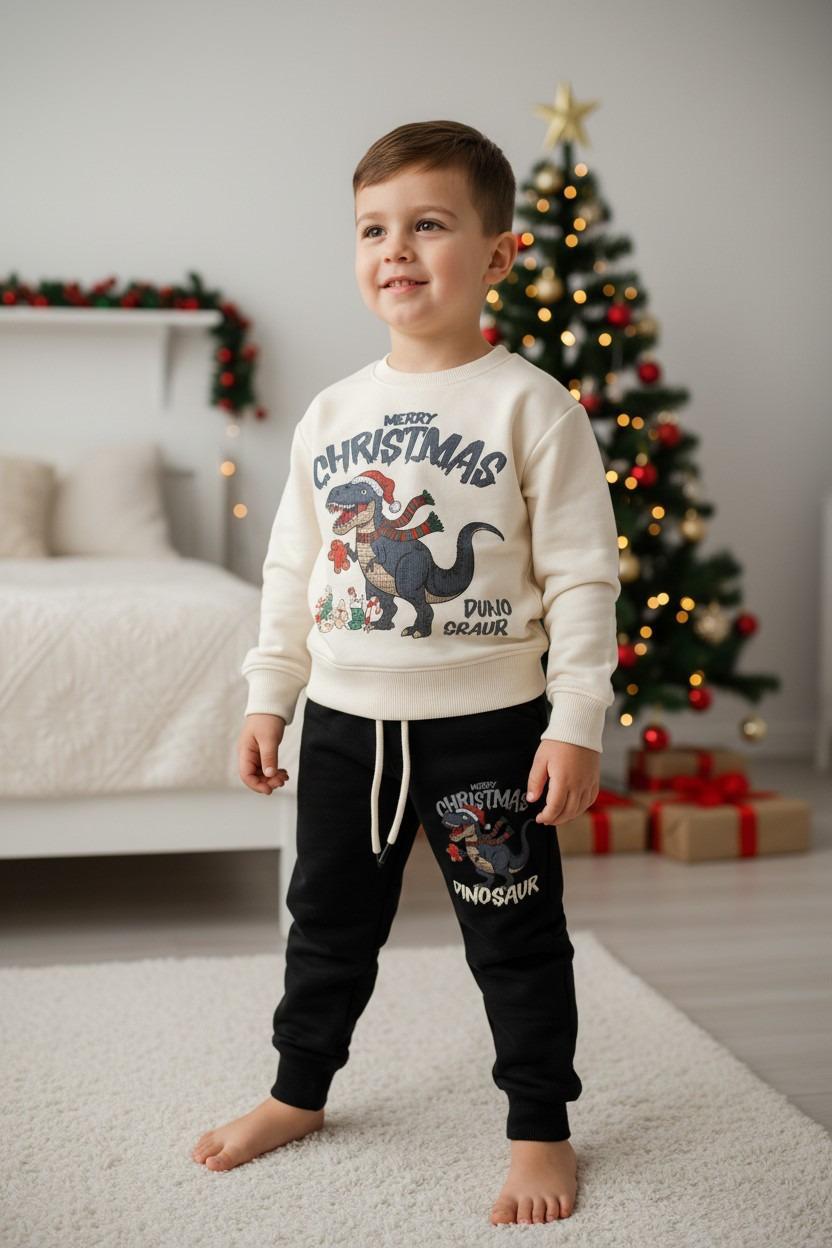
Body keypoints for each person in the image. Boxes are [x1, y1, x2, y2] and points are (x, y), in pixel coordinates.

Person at [191, 119, 620, 1227]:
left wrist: (575, 718)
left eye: (428, 224)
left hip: (488, 730)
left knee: (514, 934)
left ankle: (540, 1127)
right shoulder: (332, 412)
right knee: (325, 924)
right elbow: (293, 570)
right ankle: (298, 1092)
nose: (396, 249)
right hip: (345, 725)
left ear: (498, 253)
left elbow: (582, 576)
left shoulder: (534, 407)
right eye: (373, 229)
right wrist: (269, 695)